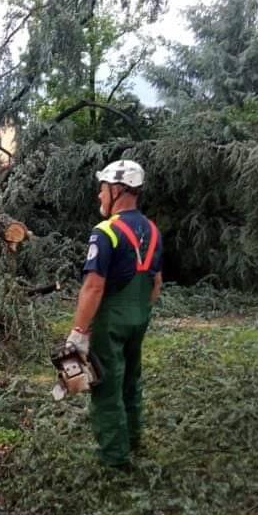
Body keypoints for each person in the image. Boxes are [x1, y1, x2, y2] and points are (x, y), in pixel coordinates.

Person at [66, 159, 162, 470]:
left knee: (106, 385)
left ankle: (114, 457)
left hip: (110, 320)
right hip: (139, 315)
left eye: (103, 188)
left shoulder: (105, 231)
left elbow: (93, 286)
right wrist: (140, 312)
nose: (99, 195)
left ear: (117, 190)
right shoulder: (152, 229)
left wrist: (78, 332)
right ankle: (133, 438)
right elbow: (156, 282)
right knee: (131, 380)